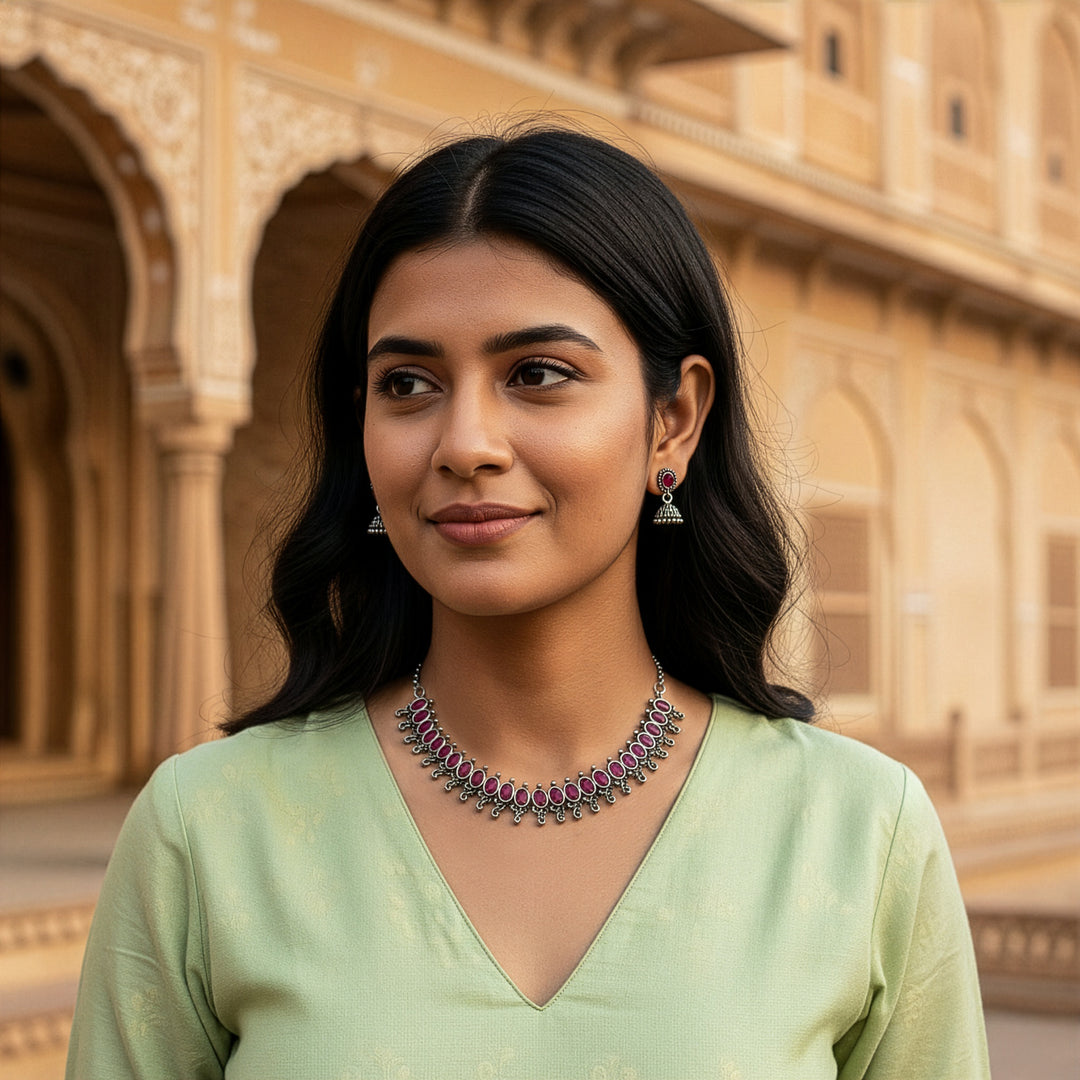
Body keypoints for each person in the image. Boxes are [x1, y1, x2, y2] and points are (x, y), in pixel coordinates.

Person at [66, 124, 990, 1079]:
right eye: (409, 384)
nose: (464, 442)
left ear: (673, 421)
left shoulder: (854, 837)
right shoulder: (210, 832)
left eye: (538, 374)